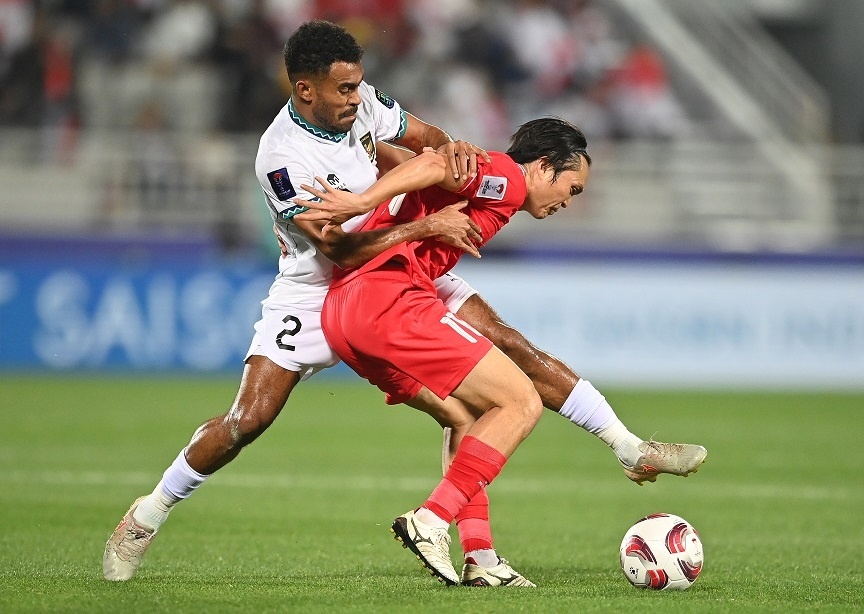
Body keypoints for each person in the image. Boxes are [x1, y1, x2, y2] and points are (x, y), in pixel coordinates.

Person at [102, 20, 705, 584]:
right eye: (342, 88)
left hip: (408, 261)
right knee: (249, 420)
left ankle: (512, 535)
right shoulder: (280, 157)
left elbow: (429, 141)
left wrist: (455, 154)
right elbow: (338, 251)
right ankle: (148, 514)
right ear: (302, 88)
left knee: (502, 359)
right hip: (323, 281)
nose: (355, 96)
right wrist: (427, 225)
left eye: (359, 82)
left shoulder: (362, 100)